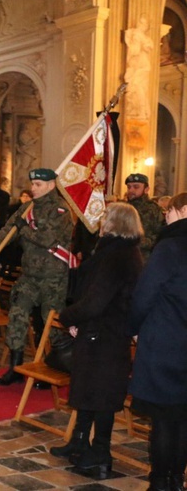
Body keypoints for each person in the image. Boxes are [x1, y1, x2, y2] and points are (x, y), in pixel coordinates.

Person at [48, 203, 144, 477]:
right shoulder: (119, 251)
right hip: (100, 333)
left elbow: (97, 300)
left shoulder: (118, 255)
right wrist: (79, 320)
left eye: (105, 218)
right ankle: (79, 440)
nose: (101, 222)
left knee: (101, 395)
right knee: (88, 391)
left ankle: (100, 453)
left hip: (104, 336)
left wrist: (68, 317)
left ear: (115, 223)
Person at [0, 168, 73, 386]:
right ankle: (15, 367)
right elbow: (9, 228)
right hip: (30, 275)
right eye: (32, 184)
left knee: (49, 321)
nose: (33, 188)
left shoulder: (61, 210)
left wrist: (24, 230)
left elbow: (47, 239)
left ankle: (52, 367)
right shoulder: (28, 208)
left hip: (52, 276)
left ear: (51, 185)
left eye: (38, 185)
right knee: (17, 314)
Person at [128, 192, 187, 490]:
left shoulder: (171, 246)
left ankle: (161, 480)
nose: (165, 214)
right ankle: (177, 479)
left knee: (164, 419)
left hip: (166, 342)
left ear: (182, 210)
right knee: (184, 418)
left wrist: (134, 327)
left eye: (169, 210)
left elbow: (144, 294)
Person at [124, 173, 164, 261]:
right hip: (123, 256)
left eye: (136, 187)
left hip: (144, 257)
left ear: (146, 189)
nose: (131, 190)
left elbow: (160, 235)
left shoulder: (154, 210)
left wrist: (141, 242)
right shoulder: (122, 208)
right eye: (129, 187)